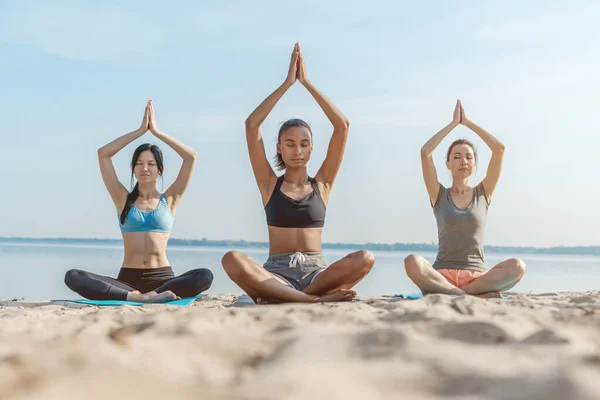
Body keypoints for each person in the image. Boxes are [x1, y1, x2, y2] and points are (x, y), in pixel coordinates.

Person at [222, 43, 375, 303]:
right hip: (277, 272)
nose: (297, 150)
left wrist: (306, 83)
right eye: (290, 144)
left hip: (318, 273)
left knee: (365, 258)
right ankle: (312, 299)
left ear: (312, 147)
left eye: (304, 144)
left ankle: (294, 297)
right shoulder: (269, 183)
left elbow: (342, 126)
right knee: (232, 259)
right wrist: (286, 84)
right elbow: (251, 126)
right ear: (279, 148)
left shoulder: (323, 184)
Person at [64, 100, 213, 302]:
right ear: (133, 169)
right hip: (127, 281)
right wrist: (140, 131)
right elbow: (103, 154)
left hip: (163, 279)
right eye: (139, 164)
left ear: (159, 170)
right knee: (73, 276)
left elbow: (191, 157)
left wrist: (157, 132)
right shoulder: (122, 198)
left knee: (205, 275)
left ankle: (149, 295)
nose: (145, 168)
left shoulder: (170, 198)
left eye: (151, 164)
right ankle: (138, 298)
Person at [404, 100, 526, 298]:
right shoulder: (439, 194)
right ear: (448, 164)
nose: (463, 161)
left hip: (476, 278)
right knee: (412, 261)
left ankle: (458, 293)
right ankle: (461, 293)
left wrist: (467, 122)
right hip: (440, 275)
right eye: (457, 157)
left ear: (475, 163)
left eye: (469, 157)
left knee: (518, 266)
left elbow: (499, 149)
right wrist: (453, 124)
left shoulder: (483, 193)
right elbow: (425, 152)